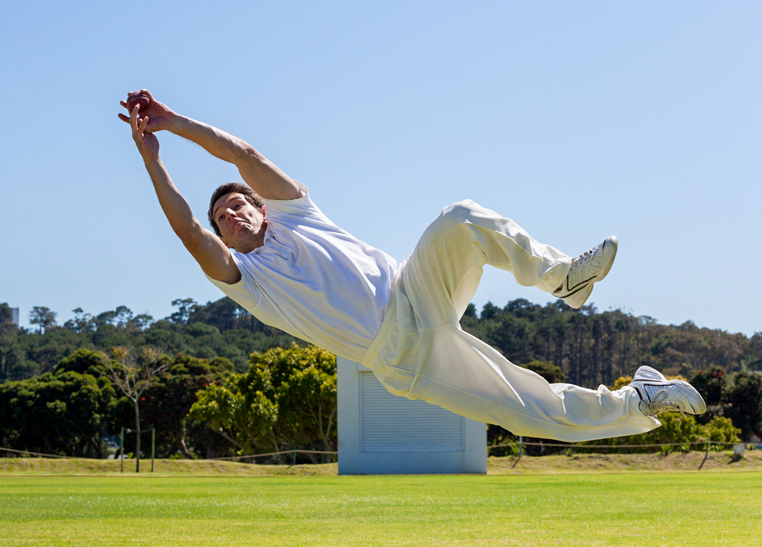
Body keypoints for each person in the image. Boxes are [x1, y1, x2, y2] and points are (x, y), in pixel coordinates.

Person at [119, 90, 706, 442]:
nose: (233, 213)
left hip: (413, 289)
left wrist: (173, 122)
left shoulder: (298, 214)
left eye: (240, 202)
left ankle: (562, 278)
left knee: (461, 218)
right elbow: (183, 228)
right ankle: (639, 400)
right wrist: (152, 156)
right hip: (404, 356)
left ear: (259, 204)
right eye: (223, 215)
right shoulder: (248, 282)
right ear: (221, 231)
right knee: (535, 412)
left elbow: (243, 155)